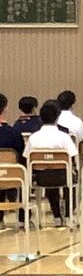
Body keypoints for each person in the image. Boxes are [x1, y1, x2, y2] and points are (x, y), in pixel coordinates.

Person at [24, 100, 78, 226]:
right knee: (70, 177)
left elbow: (27, 157)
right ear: (57, 117)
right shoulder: (64, 136)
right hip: (63, 177)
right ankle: (69, 215)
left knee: (48, 172)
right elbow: (72, 157)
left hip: (41, 178)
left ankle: (57, 216)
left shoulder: (33, 137)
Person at [0, 93, 25, 226]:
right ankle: (22, 219)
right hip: (12, 176)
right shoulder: (14, 133)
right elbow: (22, 155)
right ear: (5, 109)